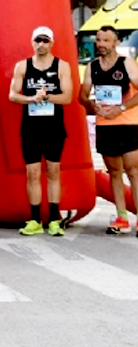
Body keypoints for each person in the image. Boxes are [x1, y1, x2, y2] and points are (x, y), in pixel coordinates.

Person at [9, 26, 73, 236]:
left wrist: (46, 97)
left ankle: (54, 218)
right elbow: (12, 95)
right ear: (32, 42)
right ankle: (35, 218)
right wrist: (31, 99)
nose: (41, 44)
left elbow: (67, 97)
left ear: (52, 43)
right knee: (32, 173)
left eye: (45, 40)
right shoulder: (23, 66)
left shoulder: (62, 66)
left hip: (54, 127)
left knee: (53, 172)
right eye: (38, 40)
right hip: (31, 128)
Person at [80, 25, 138, 234]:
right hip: (105, 126)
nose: (101, 44)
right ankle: (121, 216)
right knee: (114, 172)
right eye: (99, 40)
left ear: (116, 42)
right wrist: (91, 105)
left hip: (128, 123)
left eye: (106, 40)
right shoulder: (92, 66)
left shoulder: (127, 64)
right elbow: (83, 94)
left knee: (133, 171)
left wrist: (121, 108)